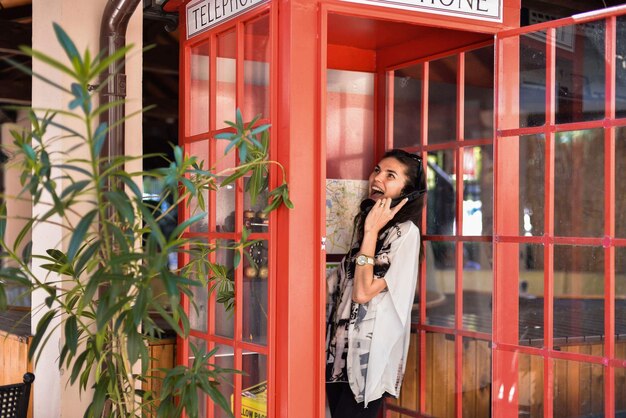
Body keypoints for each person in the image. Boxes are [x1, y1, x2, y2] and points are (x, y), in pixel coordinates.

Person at [326, 149, 426, 417]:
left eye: (390, 175)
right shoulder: (369, 225)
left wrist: (370, 232)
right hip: (337, 356)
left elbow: (362, 292)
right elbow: (337, 287)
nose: (377, 178)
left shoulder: (405, 234)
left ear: (408, 192)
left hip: (365, 362)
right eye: (377, 170)